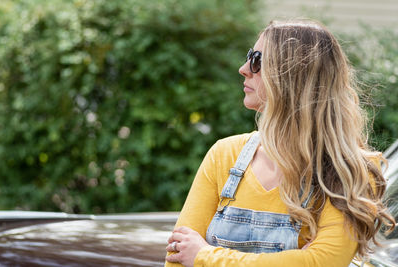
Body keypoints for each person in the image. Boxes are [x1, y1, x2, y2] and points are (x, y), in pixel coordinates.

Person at [164, 19, 396, 267]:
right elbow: (177, 259)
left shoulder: (348, 171)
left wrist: (204, 256)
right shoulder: (224, 154)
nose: (243, 69)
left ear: (295, 77)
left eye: (257, 61)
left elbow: (323, 262)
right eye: (249, 57)